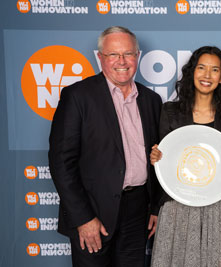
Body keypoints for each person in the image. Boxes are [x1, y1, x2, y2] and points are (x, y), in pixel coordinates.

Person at [48, 26, 162, 267]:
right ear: (100, 58)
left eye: (128, 54)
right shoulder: (78, 96)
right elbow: (61, 163)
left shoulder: (151, 100)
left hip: (137, 211)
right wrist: (83, 218)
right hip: (93, 211)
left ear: (138, 57)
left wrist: (155, 206)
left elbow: (156, 158)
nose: (122, 61)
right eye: (113, 55)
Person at [149, 46, 221, 267]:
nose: (207, 75)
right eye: (201, 68)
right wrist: (156, 157)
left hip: (217, 207)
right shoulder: (170, 111)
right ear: (192, 72)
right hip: (176, 205)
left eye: (214, 70)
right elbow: (162, 165)